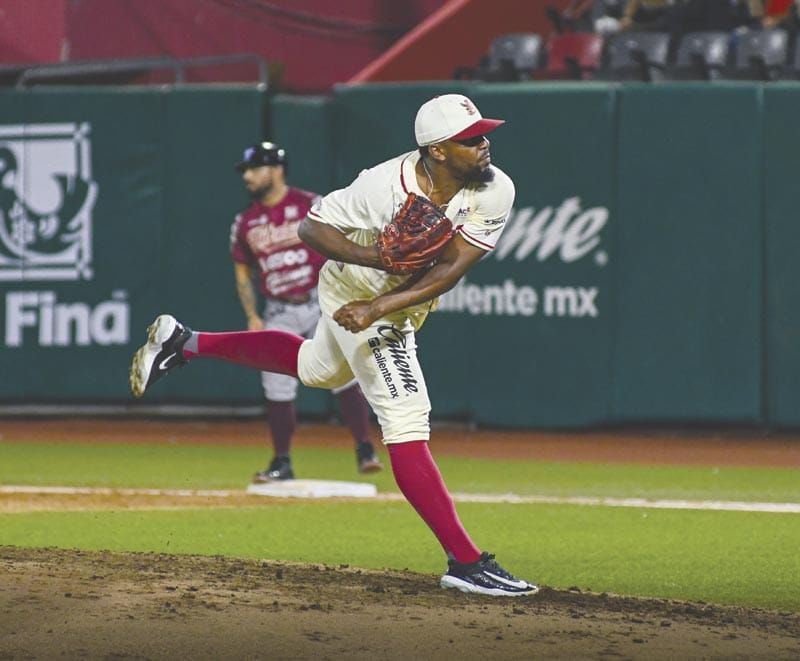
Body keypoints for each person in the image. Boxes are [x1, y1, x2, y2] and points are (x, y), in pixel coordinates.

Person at [130, 94, 538, 597]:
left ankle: (184, 342)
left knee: (316, 367)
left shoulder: (495, 189)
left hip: (385, 303)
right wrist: (373, 267)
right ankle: (466, 561)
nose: (484, 145)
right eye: (469, 139)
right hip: (354, 288)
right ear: (436, 150)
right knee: (407, 419)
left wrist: (384, 304)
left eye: (483, 133)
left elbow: (452, 268)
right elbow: (310, 228)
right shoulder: (382, 185)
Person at [230, 141, 382, 482]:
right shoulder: (246, 221)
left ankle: (364, 448)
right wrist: (252, 315)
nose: (248, 177)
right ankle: (282, 461)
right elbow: (243, 273)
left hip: (321, 302)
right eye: (247, 171)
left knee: (344, 374)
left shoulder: (310, 205)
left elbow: (345, 239)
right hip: (279, 309)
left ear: (277, 169)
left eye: (255, 169)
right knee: (277, 386)